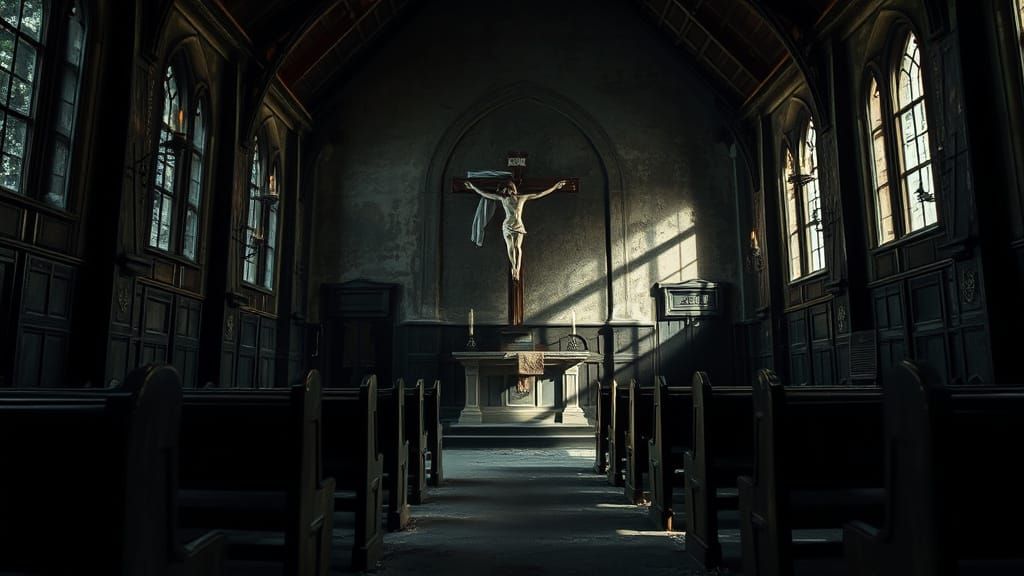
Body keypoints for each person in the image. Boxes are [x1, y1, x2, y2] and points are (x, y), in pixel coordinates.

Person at [464, 178, 567, 281]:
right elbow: (485, 193)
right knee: (510, 247)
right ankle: (514, 268)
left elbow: (540, 193)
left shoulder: (522, 197)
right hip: (507, 225)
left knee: (517, 247)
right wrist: (473, 187)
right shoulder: (503, 198)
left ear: (511, 188)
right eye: (503, 190)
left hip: (518, 225)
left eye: (505, 189)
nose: (504, 192)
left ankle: (516, 269)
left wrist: (555, 187)